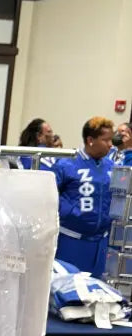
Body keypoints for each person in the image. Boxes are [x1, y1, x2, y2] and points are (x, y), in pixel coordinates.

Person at [53, 116, 114, 278]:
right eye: (106, 140)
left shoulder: (110, 166)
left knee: (95, 292)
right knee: (68, 290)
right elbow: (49, 196)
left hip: (100, 244)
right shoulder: (67, 164)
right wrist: (69, 213)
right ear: (90, 140)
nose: (110, 144)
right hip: (71, 241)